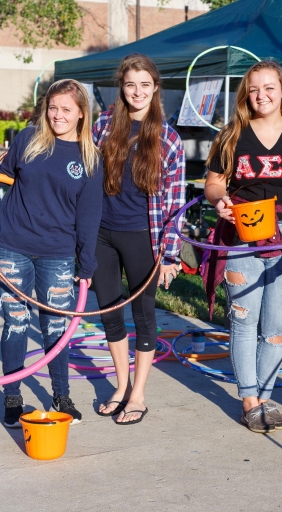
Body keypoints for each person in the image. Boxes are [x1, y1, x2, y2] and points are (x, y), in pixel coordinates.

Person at [0, 79, 103, 427]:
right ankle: (13, 398)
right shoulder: (28, 138)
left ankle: (61, 395)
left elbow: (89, 217)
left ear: (81, 113)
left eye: (66, 109)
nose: (57, 115)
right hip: (13, 243)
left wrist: (86, 262)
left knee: (56, 327)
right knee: (16, 322)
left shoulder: (90, 157)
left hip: (58, 252)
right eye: (53, 108)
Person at [204, 60, 282, 434]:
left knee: (279, 327)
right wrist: (220, 201)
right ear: (245, 95)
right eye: (254, 89)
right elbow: (214, 182)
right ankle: (250, 401)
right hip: (243, 232)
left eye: (269, 88)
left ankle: (263, 396)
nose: (262, 95)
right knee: (245, 321)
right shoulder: (232, 134)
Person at [92, 54, 186, 425]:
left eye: (145, 84)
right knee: (109, 313)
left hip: (143, 237)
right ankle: (120, 385)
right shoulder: (102, 126)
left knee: (143, 316)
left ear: (155, 88)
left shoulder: (168, 137)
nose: (137, 91)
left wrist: (171, 254)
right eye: (131, 84)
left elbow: (176, 203)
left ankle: (139, 394)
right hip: (101, 234)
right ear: (122, 87)